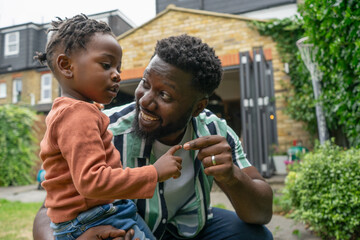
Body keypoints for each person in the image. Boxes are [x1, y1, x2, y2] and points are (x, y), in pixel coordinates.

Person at [33, 34, 274, 240]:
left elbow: (262, 212)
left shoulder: (214, 131)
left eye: (165, 95)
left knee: (254, 235)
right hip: (126, 227)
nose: (145, 100)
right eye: (145, 83)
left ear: (198, 108)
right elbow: (47, 211)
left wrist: (232, 176)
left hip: (193, 226)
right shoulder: (103, 129)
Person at [35, 14, 184, 240]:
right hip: (95, 218)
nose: (116, 75)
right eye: (106, 65)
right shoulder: (78, 115)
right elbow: (92, 181)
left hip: (96, 215)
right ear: (66, 66)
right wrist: (155, 172)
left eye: (118, 67)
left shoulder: (72, 111)